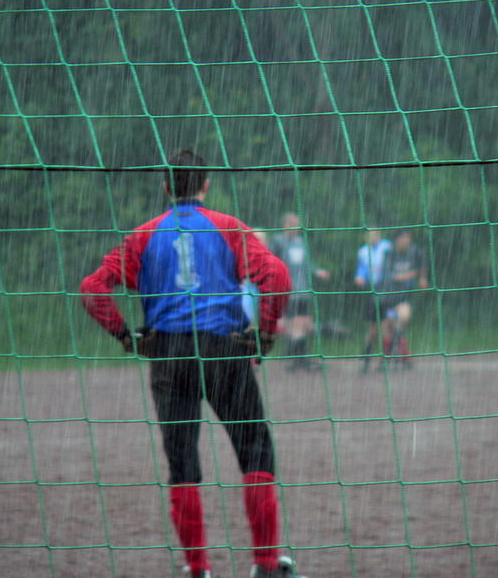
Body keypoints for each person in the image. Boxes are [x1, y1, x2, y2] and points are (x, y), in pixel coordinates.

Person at [80, 149, 307, 578]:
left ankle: (198, 568)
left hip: (169, 356)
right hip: (225, 349)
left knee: (182, 464)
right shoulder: (227, 227)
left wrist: (126, 337)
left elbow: (92, 288)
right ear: (205, 184)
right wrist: (265, 332)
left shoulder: (144, 235)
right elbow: (276, 276)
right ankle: (265, 565)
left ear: (166, 187)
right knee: (255, 452)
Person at [270, 213, 329, 371]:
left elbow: (307, 264)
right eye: (294, 224)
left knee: (303, 325)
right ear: (285, 225)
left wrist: (317, 271)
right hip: (287, 290)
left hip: (303, 291)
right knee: (293, 325)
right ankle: (301, 359)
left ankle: (296, 358)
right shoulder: (278, 242)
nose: (297, 228)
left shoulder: (300, 242)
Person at [375, 230, 428, 369]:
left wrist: (423, 278)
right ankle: (389, 360)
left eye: (409, 238)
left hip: (403, 296)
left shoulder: (414, 252)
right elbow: (393, 276)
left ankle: (401, 356)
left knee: (403, 318)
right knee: (388, 327)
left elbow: (422, 263)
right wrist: (413, 274)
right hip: (388, 296)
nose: (407, 241)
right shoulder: (390, 254)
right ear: (397, 240)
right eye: (404, 238)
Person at [353, 229, 392, 372]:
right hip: (372, 291)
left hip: (388, 290)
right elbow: (362, 269)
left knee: (386, 326)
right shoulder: (363, 252)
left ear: (379, 236)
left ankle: (385, 361)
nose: (373, 238)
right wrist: (360, 277)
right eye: (370, 235)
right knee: (373, 329)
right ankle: (366, 359)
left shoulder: (387, 247)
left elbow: (391, 265)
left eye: (375, 235)